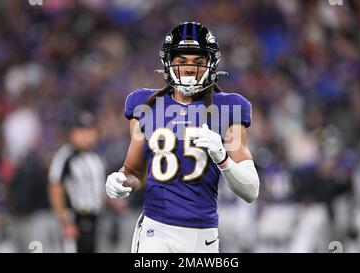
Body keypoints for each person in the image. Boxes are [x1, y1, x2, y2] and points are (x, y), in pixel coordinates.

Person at [105, 22, 260, 253]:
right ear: (168, 63)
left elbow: (251, 191)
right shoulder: (145, 105)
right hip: (157, 230)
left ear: (212, 64)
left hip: (204, 234)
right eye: (181, 61)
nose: (189, 69)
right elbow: (135, 172)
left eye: (198, 62)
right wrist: (121, 181)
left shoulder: (230, 108)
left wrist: (223, 158)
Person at [48, 111, 107, 253]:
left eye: (92, 130)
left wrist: (113, 201)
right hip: (75, 218)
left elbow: (99, 188)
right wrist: (65, 221)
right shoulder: (65, 156)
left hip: (96, 218)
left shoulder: (97, 157)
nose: (89, 135)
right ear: (73, 133)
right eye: (84, 131)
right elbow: (55, 188)